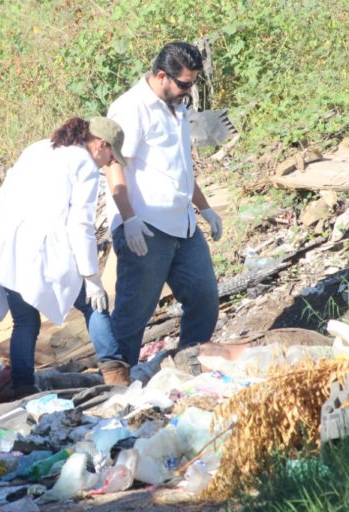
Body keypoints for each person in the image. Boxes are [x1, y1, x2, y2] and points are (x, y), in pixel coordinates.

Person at [0, 116, 130, 401]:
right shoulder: (83, 163)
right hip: (44, 246)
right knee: (95, 305)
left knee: (25, 321)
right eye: (109, 157)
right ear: (101, 145)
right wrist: (92, 276)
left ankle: (22, 388)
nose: (108, 164)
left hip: (8, 245)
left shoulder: (37, 148)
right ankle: (116, 375)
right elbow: (80, 225)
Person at [104, 41, 223, 368]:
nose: (188, 91)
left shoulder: (177, 107)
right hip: (147, 227)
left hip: (183, 225)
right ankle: (117, 383)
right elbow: (114, 165)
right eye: (184, 84)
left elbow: (180, 168)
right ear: (160, 76)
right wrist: (129, 219)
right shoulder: (131, 108)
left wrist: (205, 207)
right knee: (133, 314)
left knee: (204, 300)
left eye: (193, 84)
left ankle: (189, 367)